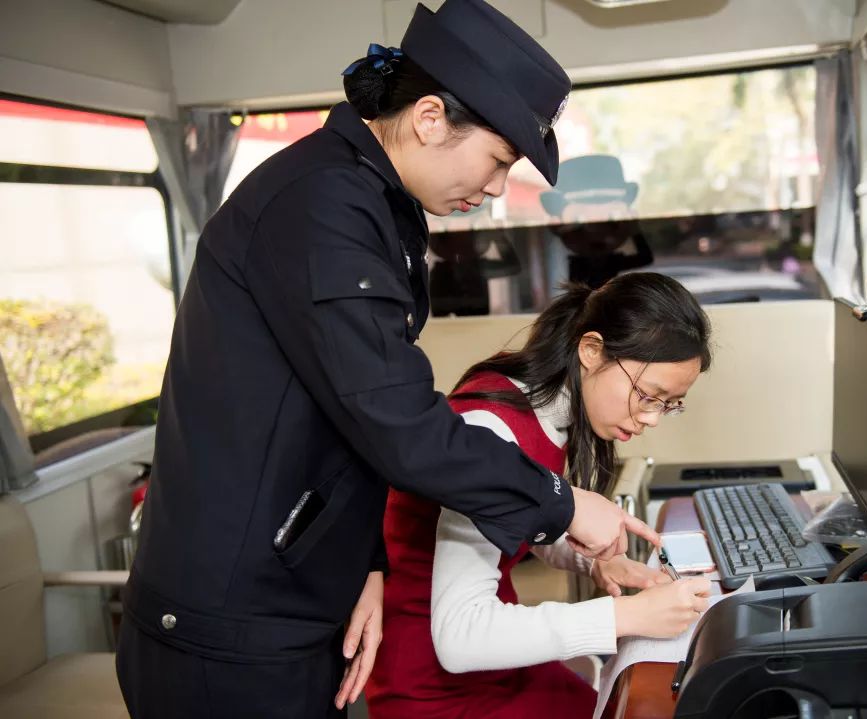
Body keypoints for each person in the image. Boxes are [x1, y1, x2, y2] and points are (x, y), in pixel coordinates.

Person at [115, 2, 659, 718]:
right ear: (430, 117)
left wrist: (367, 564)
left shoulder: (375, 203)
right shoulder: (321, 205)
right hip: (231, 627)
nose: (498, 187)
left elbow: (347, 423)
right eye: (498, 160)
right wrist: (559, 505)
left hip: (294, 602)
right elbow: (397, 419)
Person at [366, 272, 714, 718]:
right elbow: (459, 638)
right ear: (591, 350)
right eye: (648, 396)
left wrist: (593, 559)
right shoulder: (489, 428)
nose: (652, 419)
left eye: (669, 404)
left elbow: (512, 526)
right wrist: (624, 618)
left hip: (497, 661)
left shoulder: (542, 402)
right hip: (436, 684)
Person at [541, 154, 654, 289]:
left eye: (611, 218)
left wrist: (634, 230)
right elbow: (645, 258)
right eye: (579, 221)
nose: (596, 231)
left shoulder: (609, 261)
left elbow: (645, 258)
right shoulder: (574, 262)